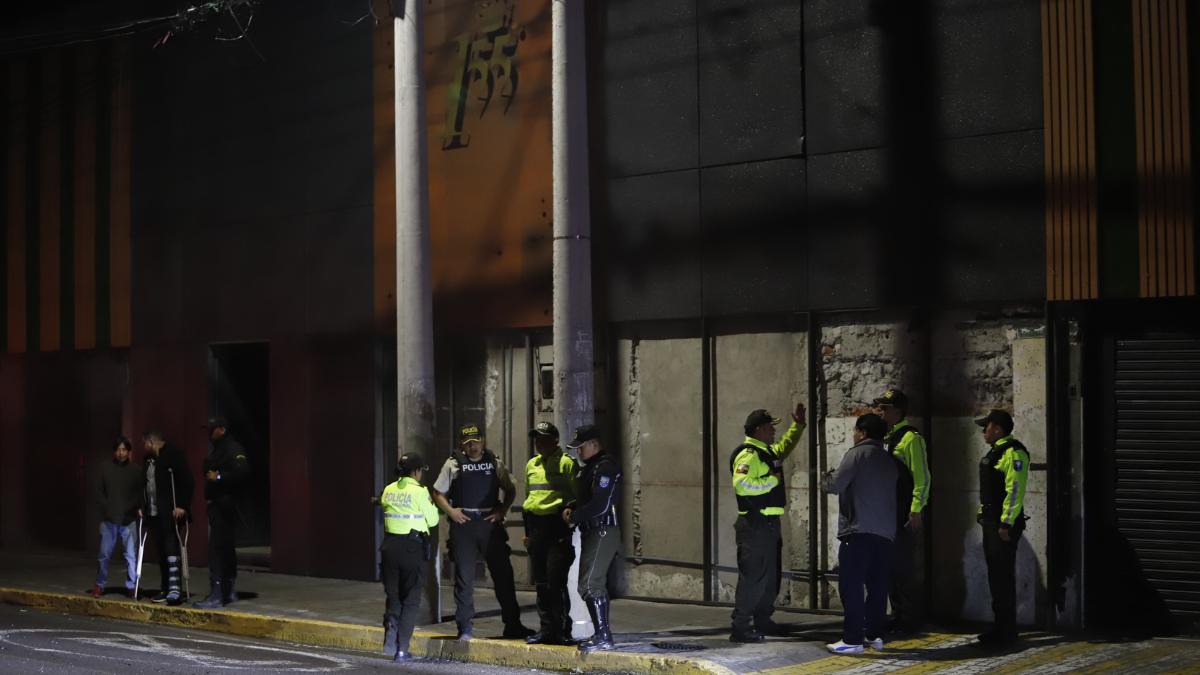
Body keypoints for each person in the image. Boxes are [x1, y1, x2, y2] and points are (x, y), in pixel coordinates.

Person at [432, 423, 532, 640]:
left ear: (483, 441)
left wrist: (502, 510)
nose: (473, 446)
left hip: (489, 523)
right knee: (464, 578)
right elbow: (437, 493)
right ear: (462, 445)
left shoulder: (494, 461)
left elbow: (511, 488)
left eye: (476, 441)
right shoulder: (453, 463)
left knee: (503, 575)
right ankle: (465, 628)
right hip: (464, 524)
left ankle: (513, 625)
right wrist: (451, 511)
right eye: (468, 443)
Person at [820, 413, 898, 654]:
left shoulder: (856, 454)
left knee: (851, 585)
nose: (854, 435)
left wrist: (825, 477)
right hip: (885, 534)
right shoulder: (889, 460)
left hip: (859, 531)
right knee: (877, 587)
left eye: (856, 431)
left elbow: (835, 485)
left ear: (863, 433)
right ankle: (875, 637)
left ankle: (852, 640)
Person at [729, 403, 806, 643]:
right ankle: (740, 627)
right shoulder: (748, 454)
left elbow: (784, 447)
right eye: (771, 428)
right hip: (755, 525)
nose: (774, 432)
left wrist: (798, 426)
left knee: (770, 577)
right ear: (759, 430)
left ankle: (763, 620)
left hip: (770, 525)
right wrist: (770, 482)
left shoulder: (767, 452)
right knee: (753, 577)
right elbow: (740, 483)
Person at [873, 389, 930, 633]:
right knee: (890, 569)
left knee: (904, 570)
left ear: (898, 411)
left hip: (902, 513)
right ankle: (896, 614)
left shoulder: (911, 438)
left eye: (884, 408)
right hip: (885, 514)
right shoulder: (885, 437)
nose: (880, 411)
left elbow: (922, 478)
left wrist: (916, 510)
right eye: (880, 407)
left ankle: (910, 619)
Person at [973, 409, 1029, 648]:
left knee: (1002, 578)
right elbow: (990, 491)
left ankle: (1007, 631)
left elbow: (1015, 490)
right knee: (996, 577)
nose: (983, 432)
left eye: (986, 427)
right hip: (993, 522)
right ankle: (1001, 627)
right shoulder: (995, 452)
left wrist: (1006, 522)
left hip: (1003, 525)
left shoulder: (1013, 452)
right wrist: (982, 515)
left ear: (998, 428)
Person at [562, 424, 621, 652]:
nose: (578, 452)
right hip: (593, 530)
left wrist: (573, 517)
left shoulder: (605, 467)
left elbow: (600, 504)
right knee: (590, 583)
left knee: (590, 583)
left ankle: (603, 636)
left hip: (602, 529)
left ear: (594, 445)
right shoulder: (589, 468)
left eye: (581, 447)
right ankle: (601, 634)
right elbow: (583, 497)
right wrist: (570, 508)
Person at [522, 421, 580, 645]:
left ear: (556, 439)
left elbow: (579, 495)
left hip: (557, 527)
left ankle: (562, 631)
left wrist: (571, 517)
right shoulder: (532, 465)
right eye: (537, 438)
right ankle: (546, 629)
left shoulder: (566, 463)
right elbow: (529, 496)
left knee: (556, 583)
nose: (540, 442)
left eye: (544, 438)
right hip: (536, 528)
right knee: (542, 584)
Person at [380, 452, 440, 661]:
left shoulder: (388, 489)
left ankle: (391, 621)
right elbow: (432, 520)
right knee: (412, 599)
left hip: (389, 547)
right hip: (411, 549)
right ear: (416, 471)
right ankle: (402, 650)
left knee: (394, 595)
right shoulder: (420, 492)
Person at [194, 416, 250, 609]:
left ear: (223, 430)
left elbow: (243, 471)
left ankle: (217, 594)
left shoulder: (232, 448)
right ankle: (228, 592)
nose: (209, 433)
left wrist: (218, 476)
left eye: (213, 429)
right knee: (225, 550)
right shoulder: (220, 449)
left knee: (216, 551)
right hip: (220, 507)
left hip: (225, 508)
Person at [140, 429, 193, 605]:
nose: (145, 447)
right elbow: (145, 485)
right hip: (153, 513)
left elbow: (187, 480)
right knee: (162, 553)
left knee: (171, 550)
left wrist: (183, 505)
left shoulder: (173, 456)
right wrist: (143, 507)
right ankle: (165, 587)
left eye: (145, 443)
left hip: (170, 513)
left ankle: (175, 588)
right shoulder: (148, 461)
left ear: (152, 442)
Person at [91, 437, 144, 599]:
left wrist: (130, 508)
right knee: (104, 554)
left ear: (129, 451)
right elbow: (98, 491)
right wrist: (108, 508)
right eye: (118, 450)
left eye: (124, 450)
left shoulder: (136, 470)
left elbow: (138, 494)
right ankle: (99, 585)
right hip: (109, 519)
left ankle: (132, 586)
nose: (121, 453)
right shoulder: (105, 468)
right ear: (114, 451)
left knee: (131, 556)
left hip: (128, 520)